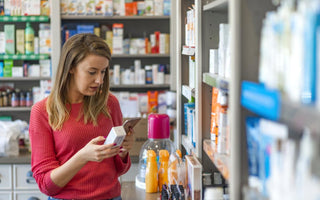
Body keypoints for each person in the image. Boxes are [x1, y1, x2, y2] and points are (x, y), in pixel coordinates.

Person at [29, 33, 133, 200]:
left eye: (103, 71)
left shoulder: (110, 104)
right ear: (71, 67)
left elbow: (118, 170)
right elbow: (46, 185)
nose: (99, 80)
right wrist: (82, 157)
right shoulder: (42, 111)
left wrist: (122, 152)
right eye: (92, 72)